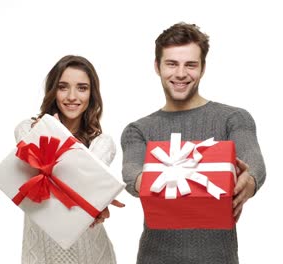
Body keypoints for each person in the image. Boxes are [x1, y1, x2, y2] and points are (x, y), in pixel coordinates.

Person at [121, 22, 266, 264]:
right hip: (155, 258)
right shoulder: (138, 130)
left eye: (190, 64)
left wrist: (249, 181)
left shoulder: (233, 118)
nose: (180, 74)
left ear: (203, 68)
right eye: (171, 64)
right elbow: (131, 174)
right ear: (157, 67)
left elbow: (254, 162)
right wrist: (152, 181)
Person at [14, 55, 124, 264]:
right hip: (40, 255)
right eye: (63, 87)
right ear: (53, 91)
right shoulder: (27, 129)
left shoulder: (101, 144)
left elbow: (77, 185)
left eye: (82, 88)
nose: (72, 96)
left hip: (91, 256)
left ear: (92, 95)